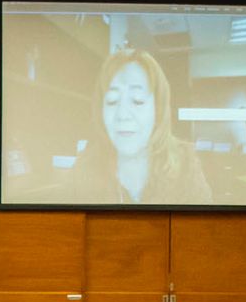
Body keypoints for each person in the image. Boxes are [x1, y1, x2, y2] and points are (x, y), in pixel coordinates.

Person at [80, 49, 210, 205]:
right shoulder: (85, 167)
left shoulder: (186, 165)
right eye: (112, 101)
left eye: (137, 100)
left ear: (158, 109)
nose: (122, 115)